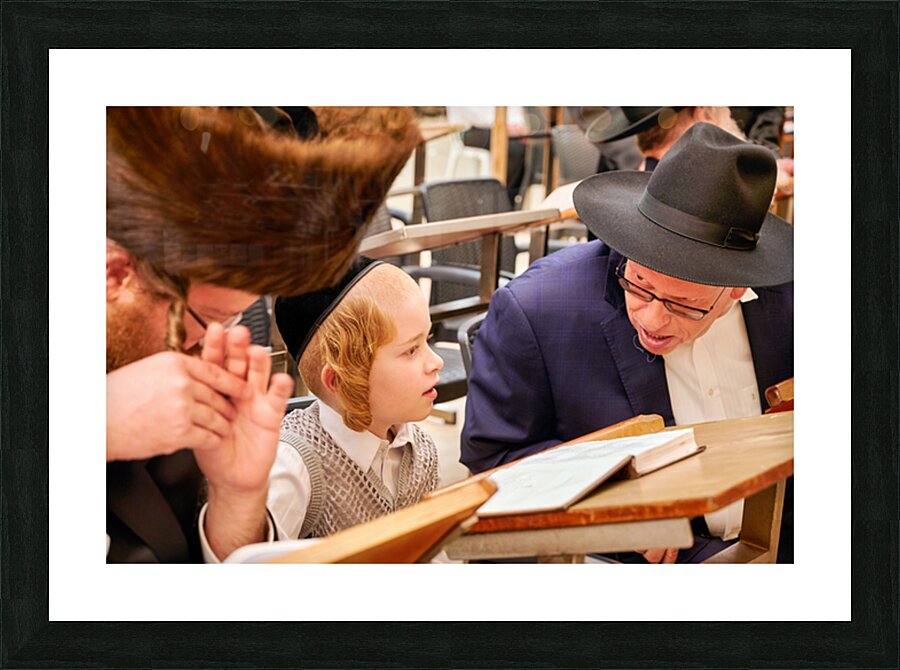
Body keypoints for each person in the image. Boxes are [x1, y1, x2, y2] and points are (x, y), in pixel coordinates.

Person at [461, 123, 794, 563]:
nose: (652, 319)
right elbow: (492, 461)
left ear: (736, 288)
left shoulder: (793, 297)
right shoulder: (537, 310)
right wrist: (618, 514)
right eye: (638, 284)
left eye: (684, 304)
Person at [106, 106, 419, 562]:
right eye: (208, 318)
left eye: (232, 320)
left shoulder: (158, 365)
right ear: (115, 278)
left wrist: (237, 494)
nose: (208, 346)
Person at [270, 258, 443, 538]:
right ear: (338, 379)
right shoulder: (293, 469)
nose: (436, 362)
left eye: (428, 339)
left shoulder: (420, 451)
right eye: (411, 350)